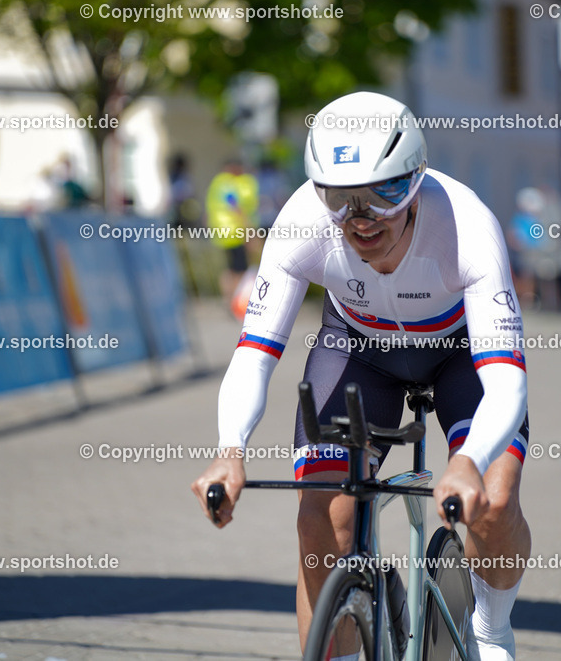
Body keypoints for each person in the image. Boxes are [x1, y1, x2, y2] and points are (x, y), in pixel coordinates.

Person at [192, 91, 531, 660]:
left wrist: (467, 464)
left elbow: (506, 381)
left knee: (493, 501)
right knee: (323, 517)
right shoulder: (302, 222)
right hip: (358, 352)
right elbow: (253, 353)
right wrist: (230, 451)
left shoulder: (468, 225)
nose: (361, 217)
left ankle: (492, 630)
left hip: (457, 353)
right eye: (339, 198)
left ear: (417, 179)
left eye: (385, 192)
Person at [205, 159, 259, 303]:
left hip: (221, 232)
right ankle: (237, 301)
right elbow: (236, 206)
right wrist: (249, 230)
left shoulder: (217, 183)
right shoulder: (228, 184)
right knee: (239, 269)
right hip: (234, 232)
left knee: (229, 268)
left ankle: (228, 298)